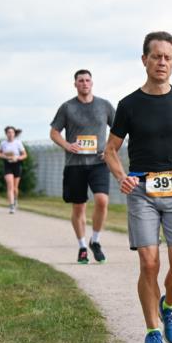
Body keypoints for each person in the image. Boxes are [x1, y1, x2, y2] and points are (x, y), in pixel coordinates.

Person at [106, 31, 172, 343]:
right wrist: (122, 177)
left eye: (168, 57)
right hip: (142, 191)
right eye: (156, 56)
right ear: (144, 60)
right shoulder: (128, 105)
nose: (162, 62)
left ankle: (169, 305)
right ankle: (152, 331)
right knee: (149, 263)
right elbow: (110, 150)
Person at [50, 69, 116, 264]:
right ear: (75, 84)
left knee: (102, 201)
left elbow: (119, 129)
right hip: (75, 165)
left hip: (99, 162)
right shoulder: (67, 107)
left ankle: (95, 241)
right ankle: (82, 246)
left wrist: (110, 148)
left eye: (87, 80)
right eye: (81, 81)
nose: (84, 83)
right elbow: (54, 133)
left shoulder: (104, 106)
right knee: (79, 208)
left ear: (92, 83)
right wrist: (67, 145)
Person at [0, 126, 26, 214]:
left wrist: (17, 158)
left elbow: (25, 155)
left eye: (12, 132)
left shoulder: (18, 143)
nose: (10, 134)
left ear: (14, 134)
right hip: (7, 165)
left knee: (15, 188)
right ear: (6, 134)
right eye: (9, 132)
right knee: (10, 185)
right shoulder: (3, 143)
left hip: (17, 165)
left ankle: (16, 199)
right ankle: (11, 206)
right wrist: (4, 156)